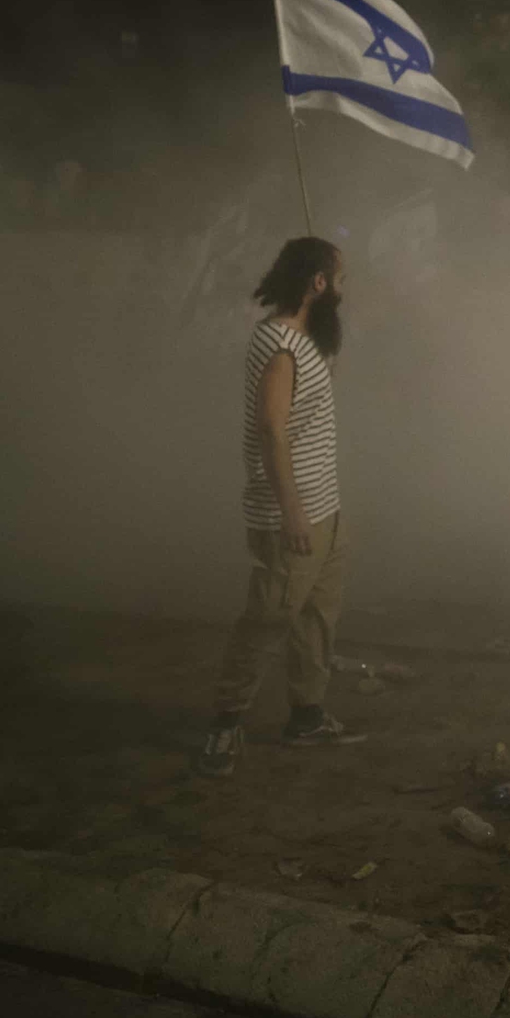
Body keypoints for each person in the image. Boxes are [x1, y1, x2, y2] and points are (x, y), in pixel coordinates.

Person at [196, 237, 364, 777]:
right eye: (339, 278)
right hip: (292, 512)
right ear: (317, 283)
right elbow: (271, 431)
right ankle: (223, 727)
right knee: (268, 619)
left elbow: (309, 402)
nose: (343, 288)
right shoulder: (279, 346)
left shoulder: (303, 339)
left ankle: (307, 717)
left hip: (325, 507)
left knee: (316, 618)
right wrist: (291, 511)